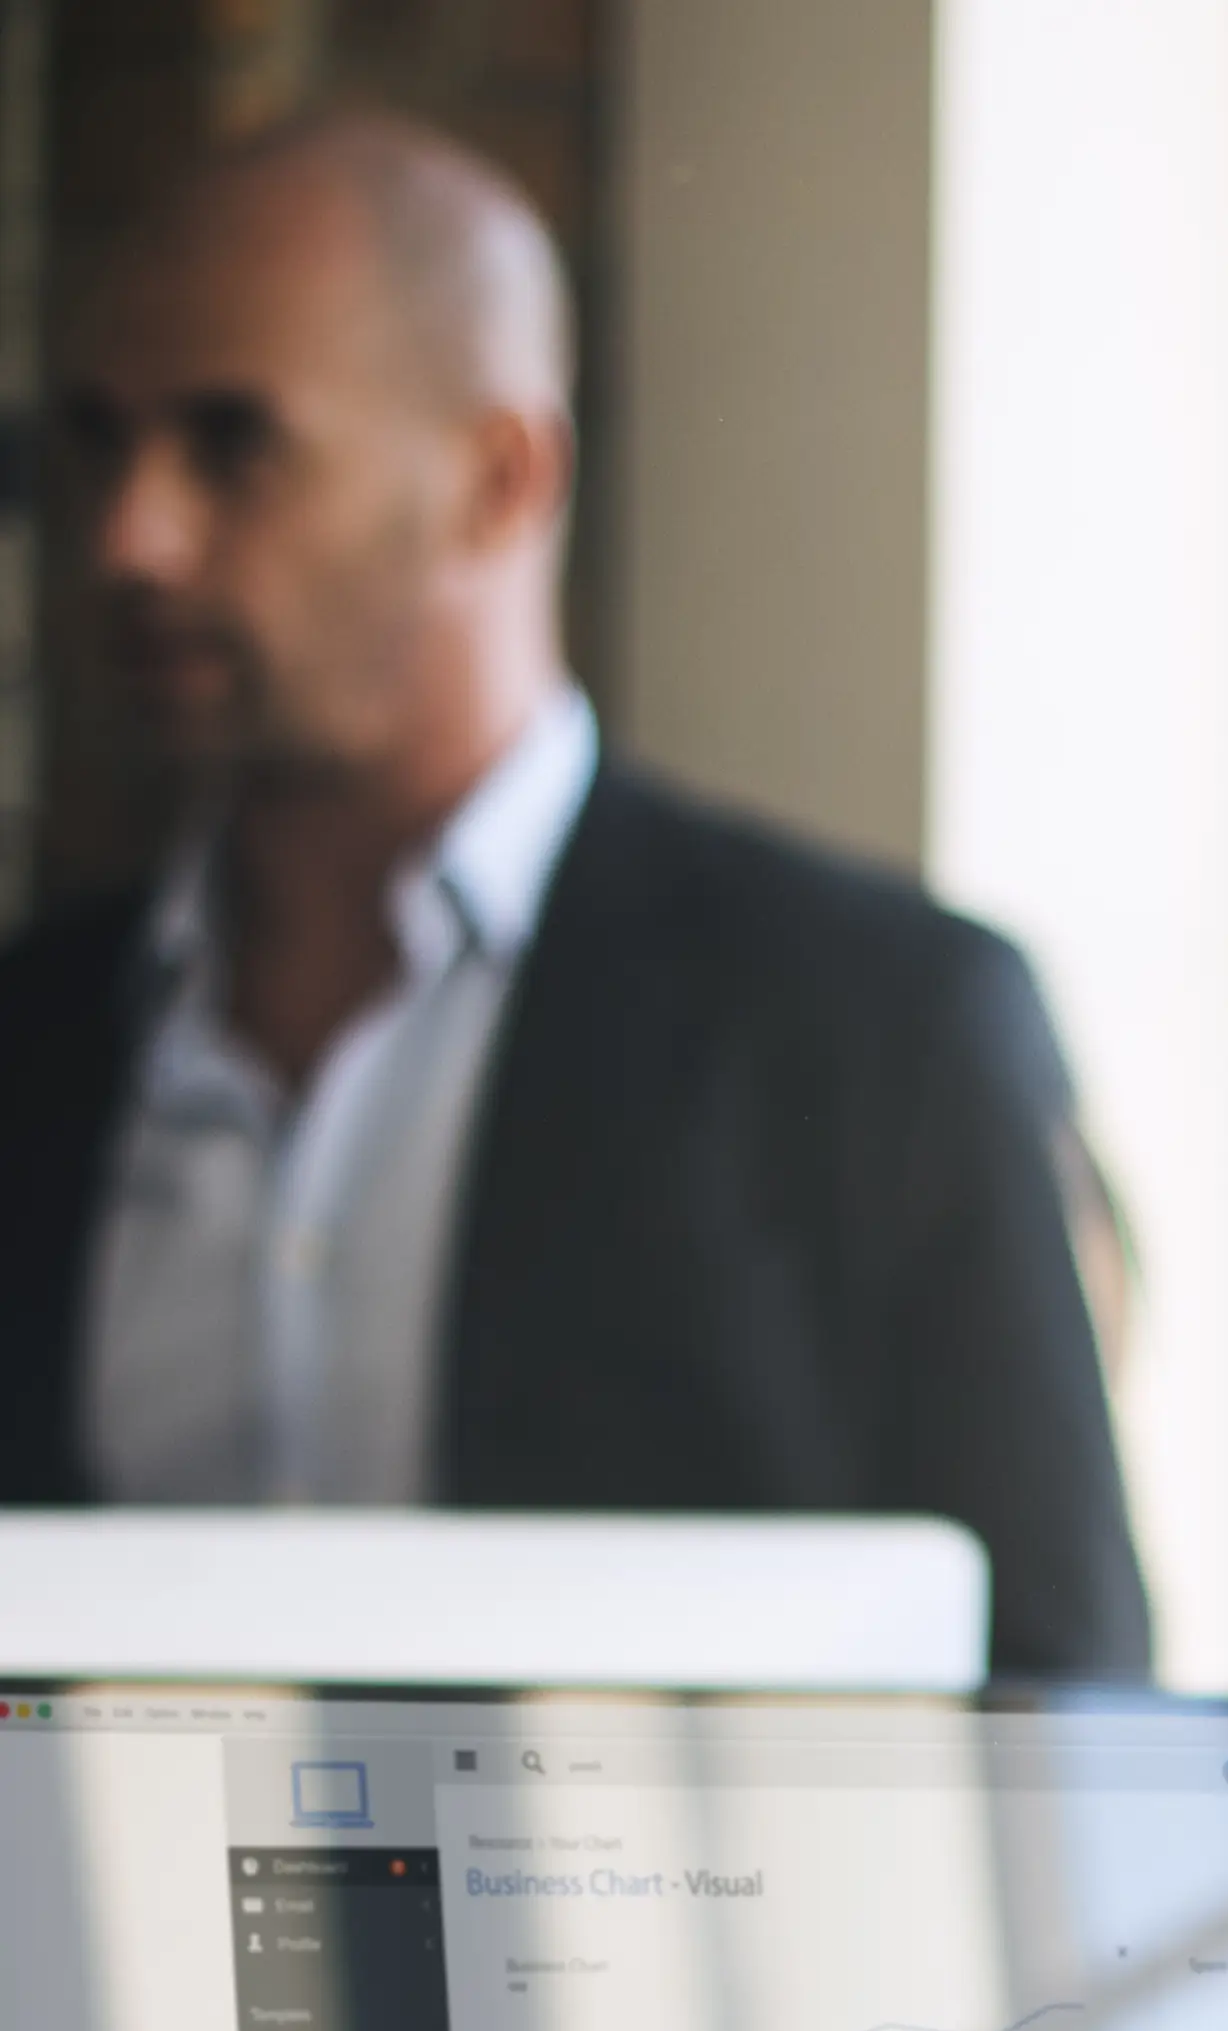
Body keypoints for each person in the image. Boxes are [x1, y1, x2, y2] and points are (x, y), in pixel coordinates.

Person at [0, 110, 1150, 1680]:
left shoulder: (885, 1036)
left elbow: (1067, 1740)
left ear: (501, 474)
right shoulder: (33, 1040)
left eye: (230, 443)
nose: (130, 538)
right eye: (97, 444)